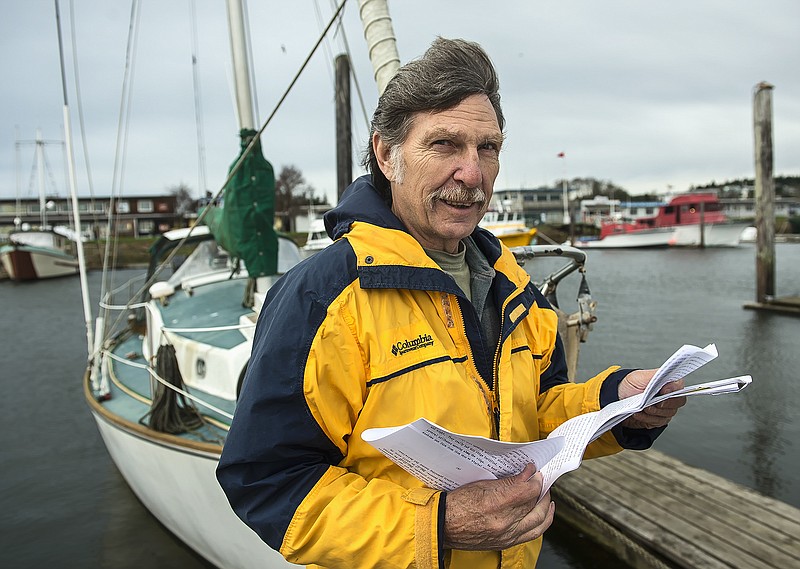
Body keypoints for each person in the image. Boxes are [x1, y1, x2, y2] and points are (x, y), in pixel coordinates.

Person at [217, 37, 686, 569]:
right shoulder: (323, 298)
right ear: (386, 155)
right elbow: (266, 481)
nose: (473, 173)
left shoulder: (513, 284)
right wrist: (435, 525)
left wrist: (619, 404)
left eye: (488, 148)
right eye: (445, 145)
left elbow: (536, 410)